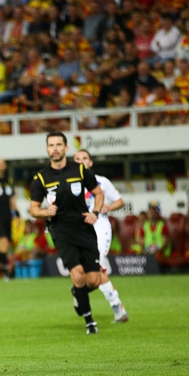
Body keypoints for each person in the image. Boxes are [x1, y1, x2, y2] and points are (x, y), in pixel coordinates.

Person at [29, 132, 105, 335]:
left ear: (66, 148)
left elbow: (98, 193)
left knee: (93, 281)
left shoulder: (80, 170)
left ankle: (77, 293)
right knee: (78, 275)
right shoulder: (41, 178)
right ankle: (90, 322)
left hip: (84, 228)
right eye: (51, 145)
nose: (55, 148)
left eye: (58, 145)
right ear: (47, 149)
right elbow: (33, 209)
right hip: (60, 230)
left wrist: (95, 213)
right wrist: (45, 212)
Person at [73, 149, 129, 323]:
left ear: (90, 163)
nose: (81, 161)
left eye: (85, 158)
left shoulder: (101, 182)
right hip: (78, 232)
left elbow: (120, 201)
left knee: (96, 268)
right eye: (77, 159)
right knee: (86, 274)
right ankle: (79, 291)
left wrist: (108, 207)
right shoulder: (68, 183)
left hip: (99, 230)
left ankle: (117, 308)